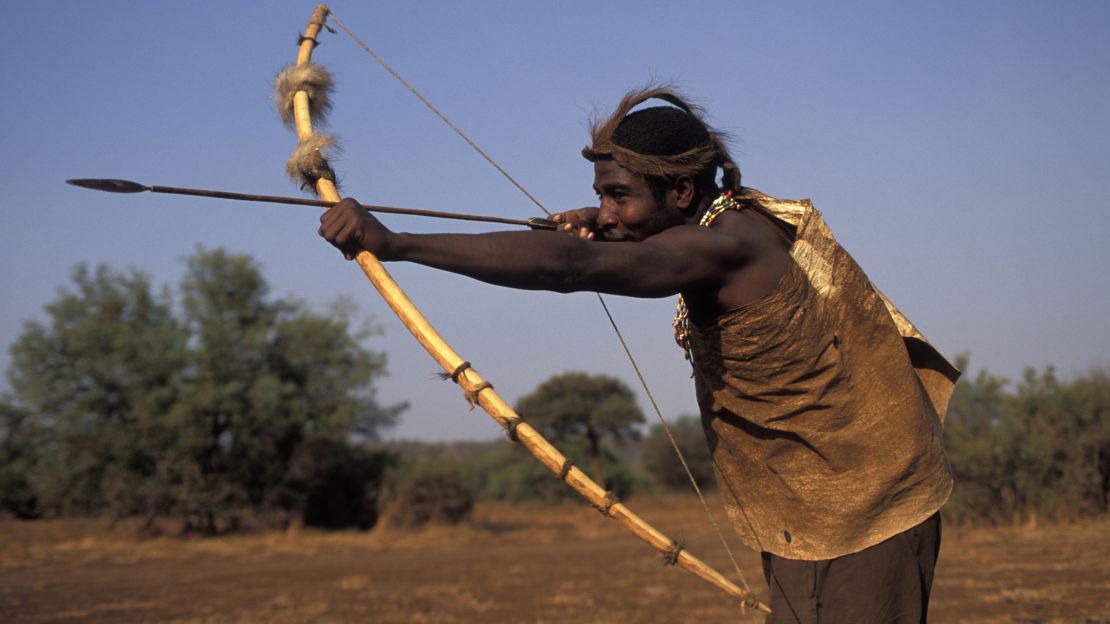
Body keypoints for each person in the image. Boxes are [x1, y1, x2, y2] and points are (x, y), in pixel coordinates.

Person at [318, 86, 958, 623]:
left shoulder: (726, 247)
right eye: (601, 194)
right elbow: (607, 243)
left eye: (618, 194)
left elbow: (572, 267)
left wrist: (395, 241)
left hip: (866, 509)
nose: (604, 210)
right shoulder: (724, 217)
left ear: (681, 192)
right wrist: (616, 221)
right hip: (809, 510)